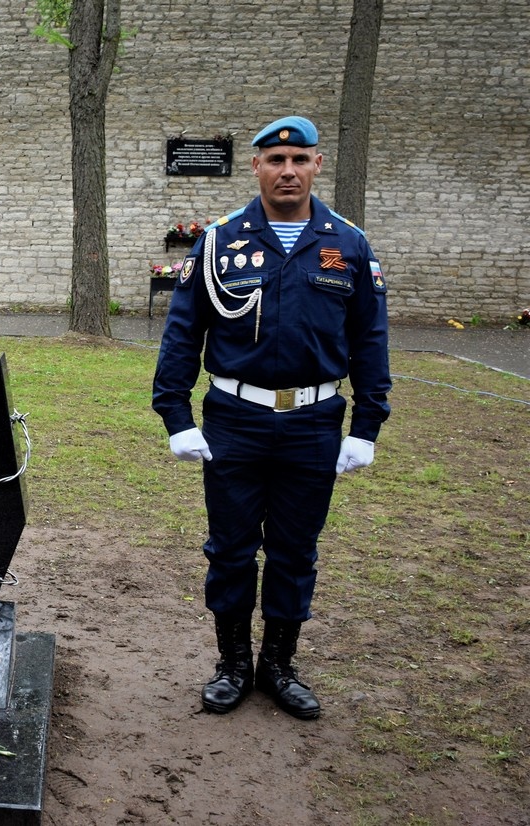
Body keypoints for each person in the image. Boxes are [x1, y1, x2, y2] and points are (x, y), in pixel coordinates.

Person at [151, 116, 390, 719]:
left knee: (294, 551)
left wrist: (365, 427)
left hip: (313, 424)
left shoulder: (349, 245)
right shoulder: (218, 241)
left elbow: (370, 341)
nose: (289, 171)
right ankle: (232, 664)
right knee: (230, 549)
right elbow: (183, 335)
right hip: (235, 420)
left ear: (316, 166)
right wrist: (176, 415)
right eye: (276, 161)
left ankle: (279, 666)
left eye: (301, 160)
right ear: (256, 166)